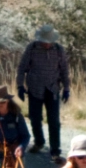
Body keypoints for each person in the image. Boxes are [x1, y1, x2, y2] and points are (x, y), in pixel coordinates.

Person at [16, 24, 71, 159]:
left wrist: (67, 88)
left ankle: (55, 150)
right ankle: (39, 142)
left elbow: (64, 70)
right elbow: (22, 67)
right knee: (35, 118)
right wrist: (20, 86)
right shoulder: (32, 48)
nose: (47, 44)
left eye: (49, 42)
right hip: (35, 88)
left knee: (54, 121)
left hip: (52, 89)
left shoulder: (58, 50)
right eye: (44, 42)